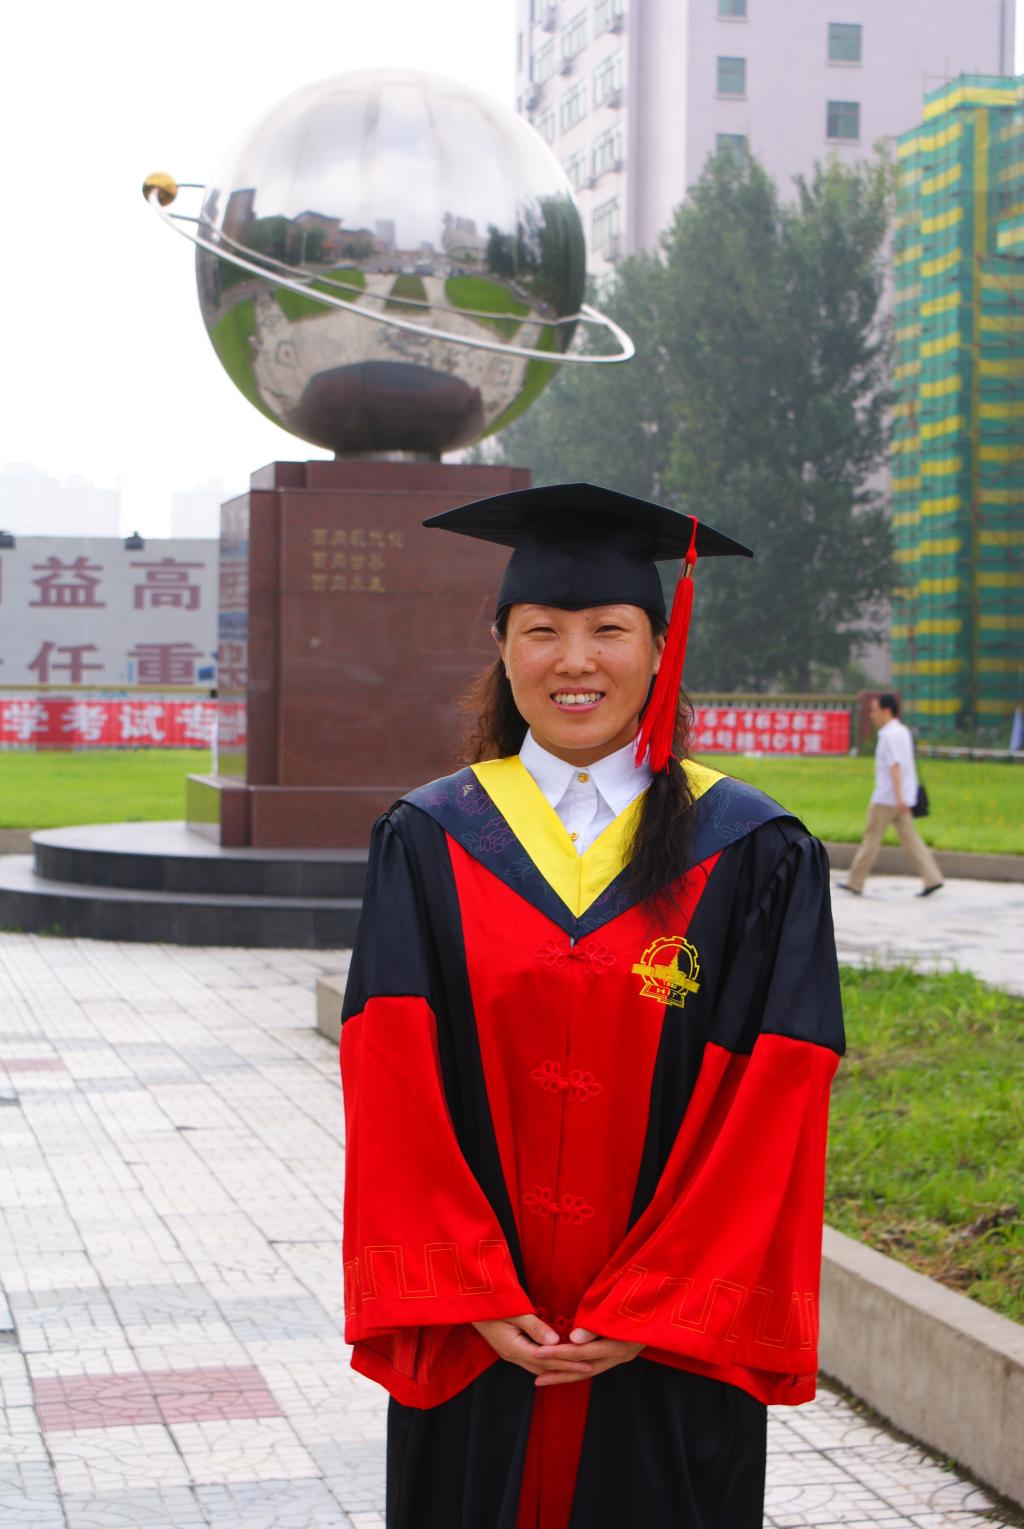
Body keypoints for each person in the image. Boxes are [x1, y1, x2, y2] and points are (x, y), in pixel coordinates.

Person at [340, 482, 845, 1529]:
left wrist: (659, 1300)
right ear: (501, 647)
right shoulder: (428, 839)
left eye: (609, 629)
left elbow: (777, 1096)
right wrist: (471, 1290)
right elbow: (389, 1076)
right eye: (543, 631)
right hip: (483, 1340)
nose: (576, 660)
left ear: (659, 649)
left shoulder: (753, 849)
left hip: (669, 1347)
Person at [842, 692, 943, 897]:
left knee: (871, 840)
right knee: (911, 840)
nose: (872, 715)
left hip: (887, 798)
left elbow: (894, 766)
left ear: (886, 710)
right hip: (903, 797)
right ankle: (933, 878)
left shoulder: (888, 735)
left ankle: (855, 882)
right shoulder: (903, 731)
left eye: (875, 710)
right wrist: (903, 797)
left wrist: (898, 797)